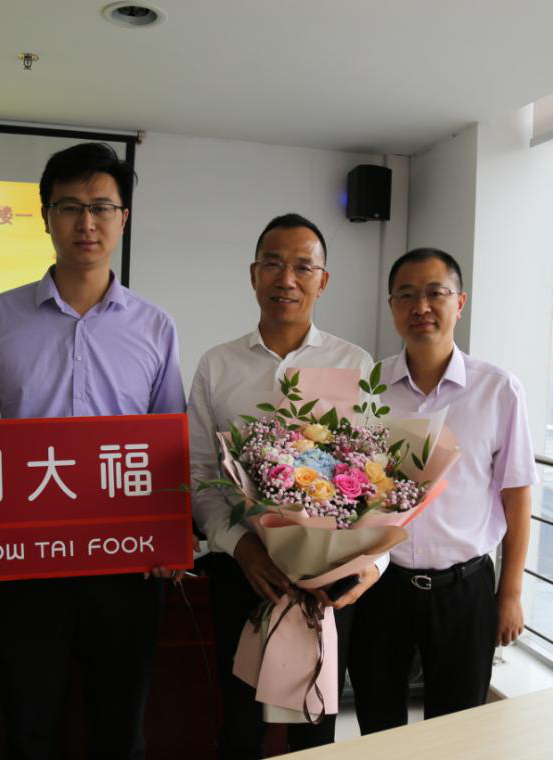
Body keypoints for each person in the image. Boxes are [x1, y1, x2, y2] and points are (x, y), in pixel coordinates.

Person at [0, 142, 185, 760]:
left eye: (102, 207)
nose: (87, 222)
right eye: (70, 206)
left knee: (120, 731)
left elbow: (170, 441)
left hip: (126, 562)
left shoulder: (155, 326)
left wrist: (171, 537)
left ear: (123, 218)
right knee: (29, 730)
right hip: (24, 559)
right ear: (45, 215)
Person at [189, 213, 382, 758]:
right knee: (240, 725)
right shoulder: (217, 365)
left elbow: (379, 480)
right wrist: (242, 547)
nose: (286, 279)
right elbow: (200, 477)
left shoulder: (354, 363)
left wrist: (371, 563)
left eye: (303, 267)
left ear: (324, 281)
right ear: (253, 275)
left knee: (315, 729)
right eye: (273, 264)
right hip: (243, 574)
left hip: (330, 580)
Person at [348, 247, 536, 730]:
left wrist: (511, 592)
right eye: (406, 295)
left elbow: (517, 494)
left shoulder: (498, 390)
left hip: (464, 588)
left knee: (457, 732)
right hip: (381, 587)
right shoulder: (367, 388)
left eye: (436, 293)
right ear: (391, 307)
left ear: (460, 302)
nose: (421, 307)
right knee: (378, 725)